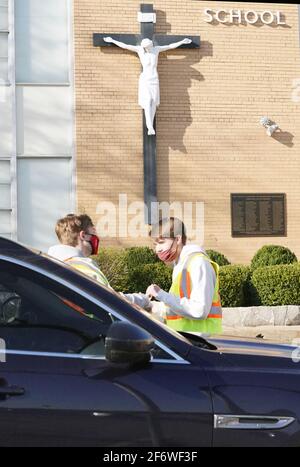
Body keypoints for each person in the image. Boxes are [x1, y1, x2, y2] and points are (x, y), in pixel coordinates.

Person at [48, 214, 150, 309]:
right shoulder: (82, 265)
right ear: (83, 235)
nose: (96, 238)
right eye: (93, 233)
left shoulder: (54, 264)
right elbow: (111, 299)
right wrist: (143, 300)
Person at [146, 217, 222, 334]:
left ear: (178, 239)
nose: (157, 249)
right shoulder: (180, 264)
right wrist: (150, 306)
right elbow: (176, 307)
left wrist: (161, 294)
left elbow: (199, 310)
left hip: (201, 343)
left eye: (161, 242)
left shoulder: (198, 263)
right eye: (155, 244)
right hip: (186, 342)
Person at [103, 36, 192, 135]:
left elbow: (170, 46)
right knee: (148, 100)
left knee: (153, 101)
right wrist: (112, 41)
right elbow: (125, 46)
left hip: (154, 79)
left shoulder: (156, 50)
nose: (149, 48)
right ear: (144, 47)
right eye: (147, 47)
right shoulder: (139, 50)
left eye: (150, 46)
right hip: (145, 79)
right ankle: (149, 126)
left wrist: (181, 42)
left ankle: (151, 125)